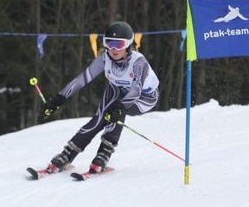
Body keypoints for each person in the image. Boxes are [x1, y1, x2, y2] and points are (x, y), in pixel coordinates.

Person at [41, 21, 160, 173]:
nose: (113, 49)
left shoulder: (138, 62)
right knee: (100, 117)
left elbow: (136, 91)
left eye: (119, 44)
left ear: (128, 44)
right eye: (109, 43)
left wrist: (121, 107)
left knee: (115, 112)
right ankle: (68, 154)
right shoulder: (104, 59)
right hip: (118, 90)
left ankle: (104, 154)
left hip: (144, 98)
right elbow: (81, 79)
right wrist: (59, 99)